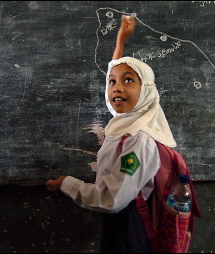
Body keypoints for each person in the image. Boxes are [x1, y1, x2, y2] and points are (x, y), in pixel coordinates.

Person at [45, 14, 177, 252]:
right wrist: (120, 43)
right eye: (112, 82)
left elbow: (113, 199)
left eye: (128, 81)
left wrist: (68, 184)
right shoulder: (126, 122)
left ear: (146, 91)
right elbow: (116, 79)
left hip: (130, 223)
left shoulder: (139, 140)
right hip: (123, 218)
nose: (117, 88)